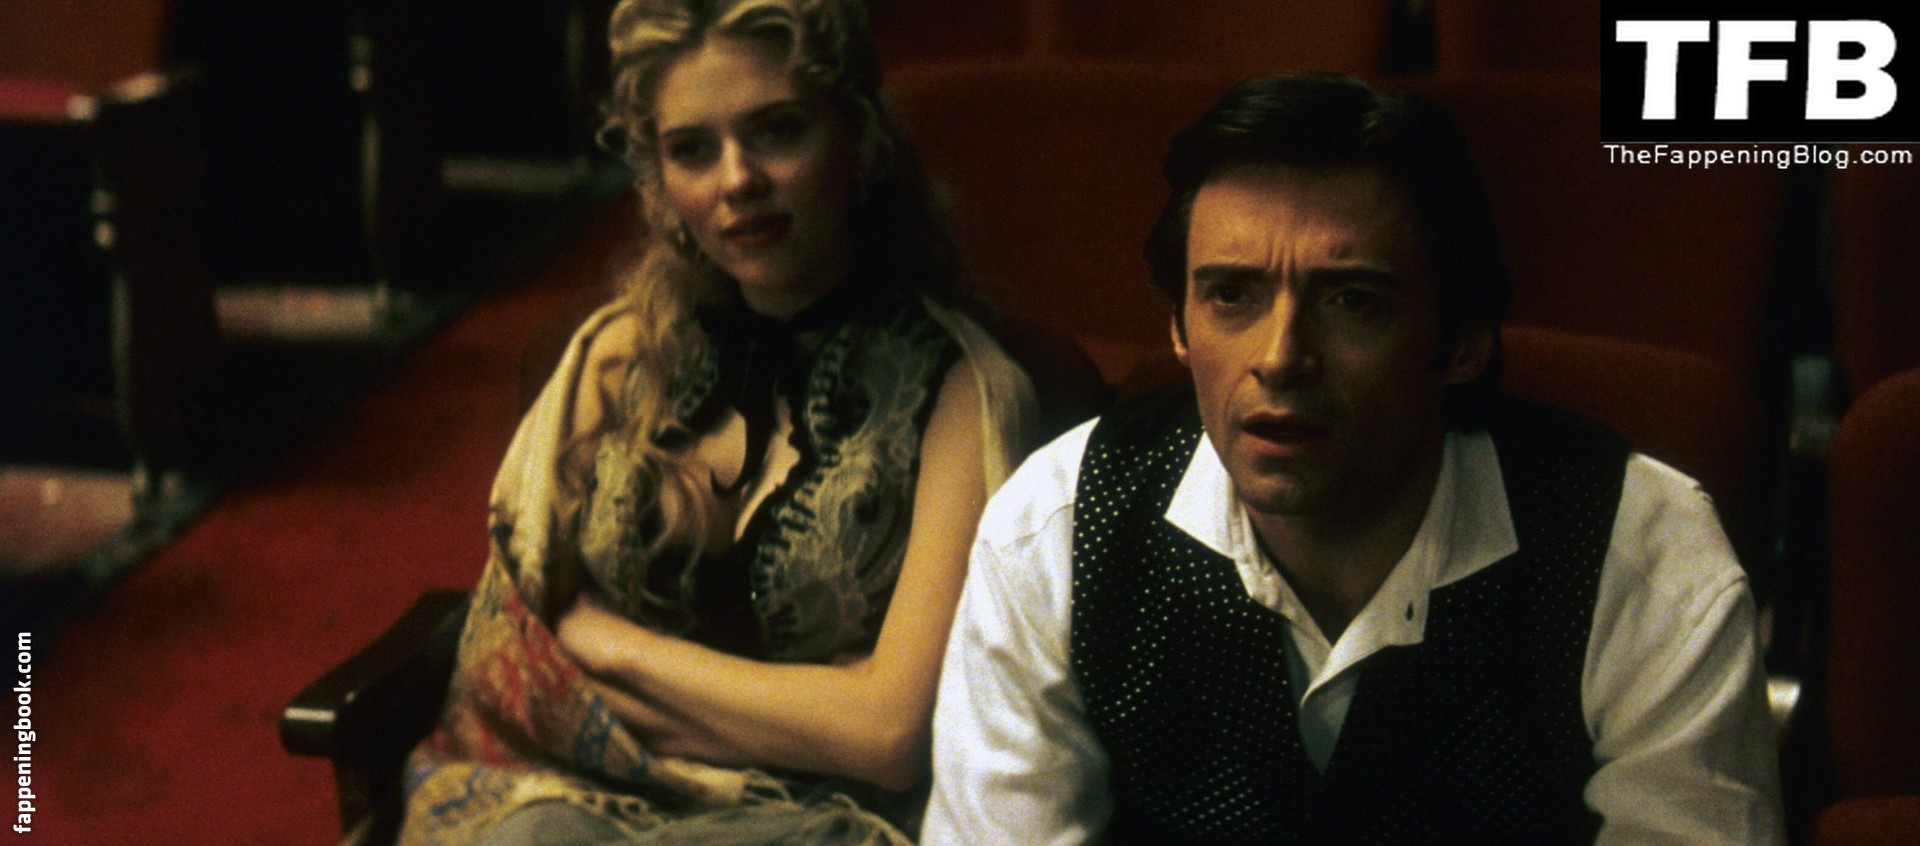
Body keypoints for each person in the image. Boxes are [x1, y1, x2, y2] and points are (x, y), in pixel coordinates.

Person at [922, 72, 1785, 845]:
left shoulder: (1637, 550)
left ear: (1462, 341)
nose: (1281, 358)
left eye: (1353, 301)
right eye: (1232, 295)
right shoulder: (1060, 527)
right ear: (1178, 328)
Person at [399, 1, 1037, 843]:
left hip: (814, 827)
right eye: (693, 150)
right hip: (577, 794)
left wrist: (612, 647)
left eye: (777, 131)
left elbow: (888, 736)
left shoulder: (961, 391)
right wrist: (818, 706)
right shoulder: (614, 357)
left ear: (857, 136)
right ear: (659, 176)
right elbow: (517, 659)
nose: (737, 180)